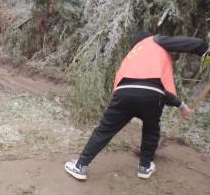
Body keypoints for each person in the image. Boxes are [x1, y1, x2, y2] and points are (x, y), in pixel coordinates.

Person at [65, 31, 209, 180]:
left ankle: (80, 166)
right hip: (153, 95)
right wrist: (205, 50)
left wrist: (181, 106)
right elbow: (153, 86)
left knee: (104, 130)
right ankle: (144, 167)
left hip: (124, 94)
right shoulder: (154, 40)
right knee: (151, 130)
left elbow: (137, 85)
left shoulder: (131, 56)